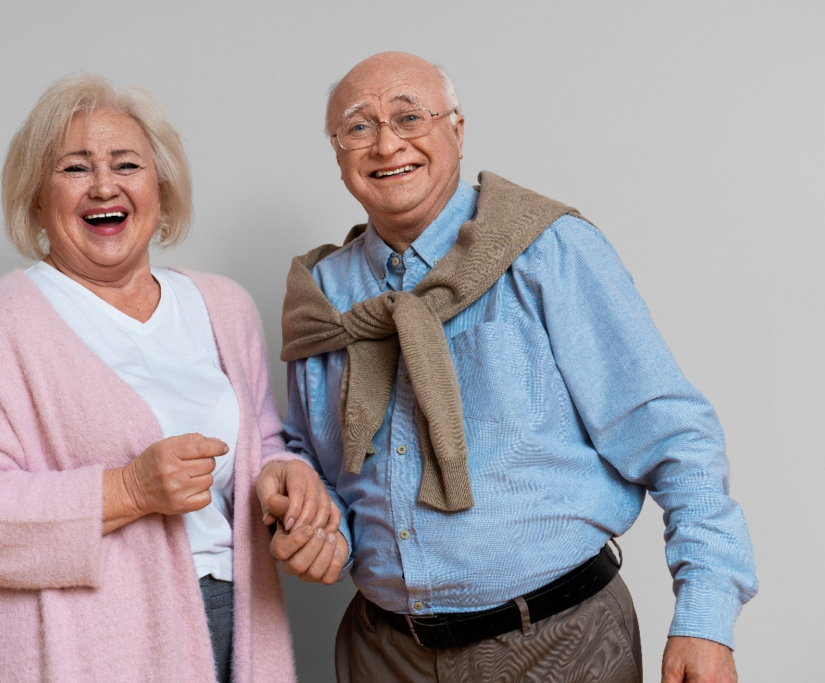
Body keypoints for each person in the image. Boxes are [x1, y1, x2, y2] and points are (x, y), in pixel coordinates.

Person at [265, 52, 757, 683]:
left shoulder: (547, 250)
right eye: (358, 127)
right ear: (338, 152)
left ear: (458, 130)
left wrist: (705, 616)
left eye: (409, 116)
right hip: (384, 654)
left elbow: (673, 433)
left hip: (560, 644)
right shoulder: (325, 297)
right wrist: (304, 507)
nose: (387, 143)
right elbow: (310, 451)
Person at [0, 73, 331, 683]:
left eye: (127, 164)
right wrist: (130, 490)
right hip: (96, 648)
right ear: (36, 198)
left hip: (237, 624)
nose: (104, 185)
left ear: (161, 188)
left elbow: (262, 445)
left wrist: (284, 477)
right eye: (75, 168)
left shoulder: (223, 305)